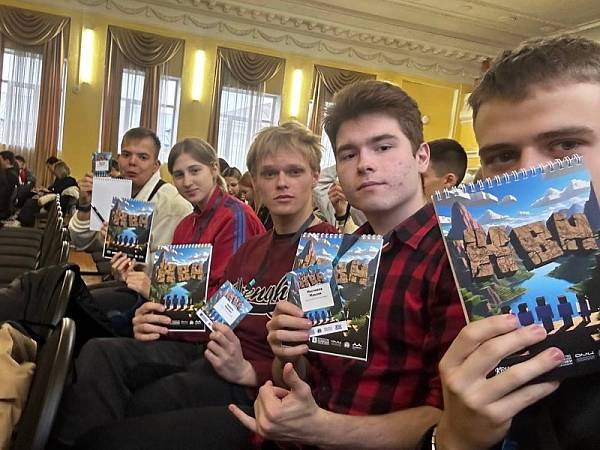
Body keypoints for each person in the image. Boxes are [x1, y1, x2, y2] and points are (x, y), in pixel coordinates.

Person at [51, 123, 337, 450]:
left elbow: (328, 367)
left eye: (294, 172)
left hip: (259, 389)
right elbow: (215, 316)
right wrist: (158, 317)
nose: (282, 183)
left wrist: (250, 371)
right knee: (109, 374)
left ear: (315, 176)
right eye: (270, 174)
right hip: (214, 361)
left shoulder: (327, 250)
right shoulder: (251, 250)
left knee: (122, 417)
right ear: (256, 181)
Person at [230, 80, 464, 449]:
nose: (365, 164)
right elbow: (304, 375)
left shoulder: (454, 255)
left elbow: (453, 421)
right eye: (349, 154)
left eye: (383, 147)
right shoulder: (334, 252)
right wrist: (287, 353)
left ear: (422, 157)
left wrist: (318, 428)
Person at [428, 35, 600, 450]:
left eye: (566, 145)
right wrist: (454, 438)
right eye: (502, 156)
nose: (529, 173)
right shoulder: (471, 284)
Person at [68, 127, 192, 255]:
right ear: (118, 159)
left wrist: (122, 244)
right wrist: (85, 206)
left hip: (134, 268)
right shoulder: (111, 190)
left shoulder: (173, 205)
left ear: (156, 165)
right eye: (126, 155)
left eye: (143, 157)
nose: (132, 162)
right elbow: (82, 243)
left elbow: (167, 262)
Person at [0, 151, 19, 220]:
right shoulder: (13, 173)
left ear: (7, 161)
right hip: (7, 209)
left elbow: (3, 196)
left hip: (3, 210)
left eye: (0, 160)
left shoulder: (7, 175)